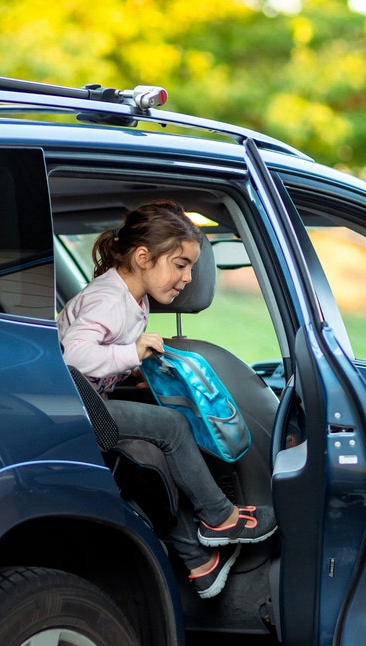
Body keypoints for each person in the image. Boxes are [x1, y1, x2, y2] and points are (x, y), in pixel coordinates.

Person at [58, 200, 276, 599]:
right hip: (74, 409)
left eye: (192, 267)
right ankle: (218, 517)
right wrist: (131, 354)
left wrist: (133, 371)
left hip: (85, 404)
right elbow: (72, 356)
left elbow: (99, 355)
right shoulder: (109, 299)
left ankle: (199, 563)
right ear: (143, 257)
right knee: (171, 427)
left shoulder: (131, 297)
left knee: (148, 457)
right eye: (180, 264)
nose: (189, 277)